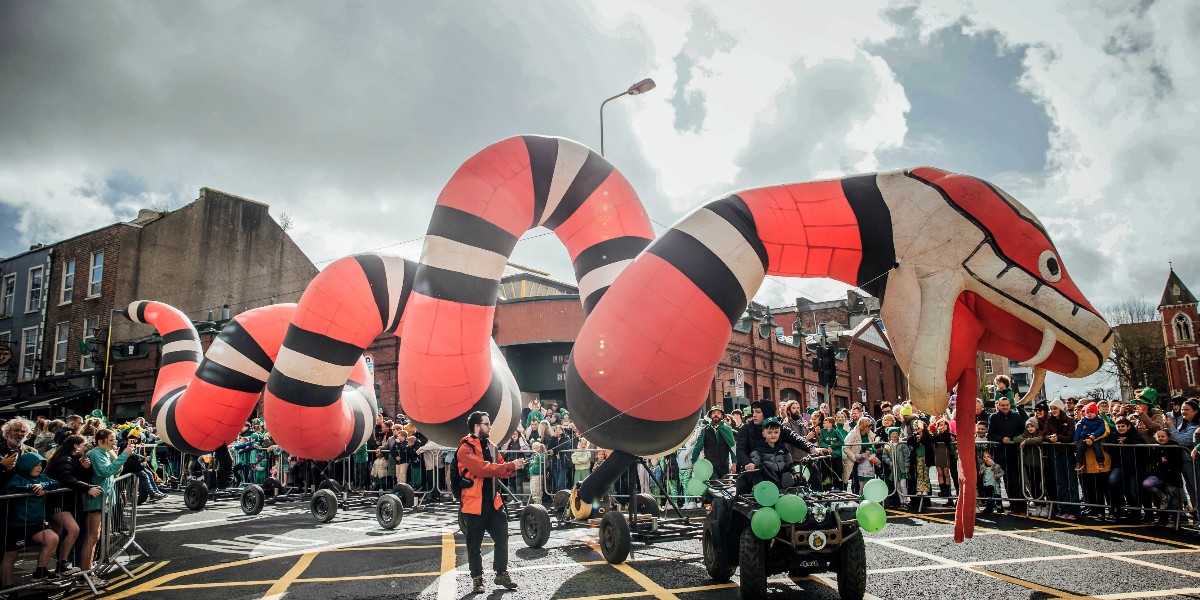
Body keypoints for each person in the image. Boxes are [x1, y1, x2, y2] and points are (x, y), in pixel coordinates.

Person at [456, 411, 523, 594]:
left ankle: (501, 573)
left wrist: (514, 467)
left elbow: (500, 468)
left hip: (493, 503)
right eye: (487, 423)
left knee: (502, 538)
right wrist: (508, 466)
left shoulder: (492, 446)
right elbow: (481, 469)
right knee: (474, 546)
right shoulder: (465, 449)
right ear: (477, 426)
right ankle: (477, 579)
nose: (490, 426)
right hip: (474, 505)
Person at [1, 451, 60, 589]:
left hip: (36, 522)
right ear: (26, 465)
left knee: (52, 538)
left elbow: (56, 483)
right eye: (35, 465)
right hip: (16, 524)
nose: (39, 468)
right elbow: (11, 488)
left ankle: (40, 572)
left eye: (41, 465)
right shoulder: (17, 478)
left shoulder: (41, 477)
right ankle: (7, 588)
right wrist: (33, 489)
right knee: (10, 557)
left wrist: (43, 486)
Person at [81, 429, 133, 583]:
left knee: (95, 537)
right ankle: (86, 574)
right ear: (100, 441)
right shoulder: (96, 454)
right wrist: (124, 455)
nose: (113, 443)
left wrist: (117, 455)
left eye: (114, 440)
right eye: (110, 440)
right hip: (95, 500)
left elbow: (115, 472)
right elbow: (106, 471)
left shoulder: (103, 453)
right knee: (92, 537)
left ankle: (89, 570)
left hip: (102, 500)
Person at [987, 398, 1027, 513]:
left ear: (1010, 405)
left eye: (1007, 405)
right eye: (1002, 405)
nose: (1005, 407)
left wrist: (1017, 439)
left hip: (1015, 452)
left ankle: (1021, 504)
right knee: (1008, 479)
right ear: (998, 406)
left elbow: (1022, 432)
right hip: (1001, 452)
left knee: (1018, 478)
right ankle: (1013, 503)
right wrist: (1001, 439)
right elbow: (991, 435)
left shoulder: (1016, 417)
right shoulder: (993, 417)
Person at [690, 407, 735, 480]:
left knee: (726, 488)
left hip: (725, 466)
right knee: (714, 486)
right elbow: (698, 446)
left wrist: (734, 462)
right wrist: (693, 461)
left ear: (722, 416)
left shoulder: (727, 430)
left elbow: (733, 447)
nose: (715, 415)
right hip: (710, 466)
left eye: (718, 413)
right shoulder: (705, 430)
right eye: (713, 413)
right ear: (710, 416)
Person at [1074, 402, 1110, 470]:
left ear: (1096, 412)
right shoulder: (1083, 420)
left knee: (1097, 447)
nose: (1089, 414)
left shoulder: (1100, 420)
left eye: (1091, 412)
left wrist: (1093, 436)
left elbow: (1103, 430)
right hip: (1084, 437)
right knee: (1079, 447)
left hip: (1095, 437)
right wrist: (1076, 439)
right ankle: (1079, 462)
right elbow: (1078, 429)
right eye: (1087, 412)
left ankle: (1100, 461)